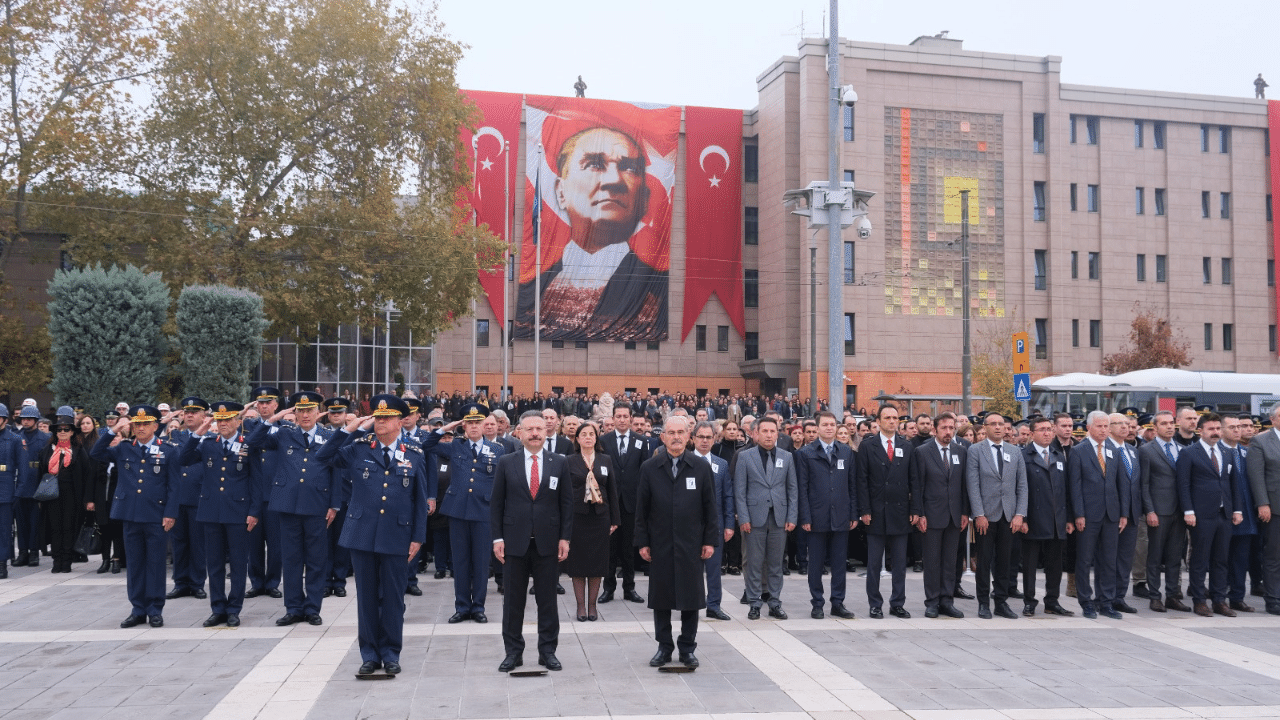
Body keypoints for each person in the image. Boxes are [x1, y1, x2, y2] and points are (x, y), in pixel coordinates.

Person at [514, 126, 667, 342]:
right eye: (595, 164)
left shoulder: (660, 291)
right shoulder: (534, 287)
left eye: (629, 168)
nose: (614, 180)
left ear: (643, 199)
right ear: (560, 191)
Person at [316, 395, 431, 676]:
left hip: (398, 534)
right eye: (377, 417)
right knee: (366, 598)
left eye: (386, 417)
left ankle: (391, 653)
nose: (380, 422)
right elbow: (323, 457)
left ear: (399, 421)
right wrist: (348, 429)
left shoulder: (414, 453)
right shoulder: (358, 448)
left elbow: (419, 500)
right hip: (362, 533)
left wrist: (418, 537)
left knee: (393, 597)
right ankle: (369, 654)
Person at [246, 390, 341, 627]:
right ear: (294, 412)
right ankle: (293, 607)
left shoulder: (329, 436)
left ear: (318, 412)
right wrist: (272, 420)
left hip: (317, 505)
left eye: (310, 410)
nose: (305, 415)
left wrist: (334, 504)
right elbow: (253, 442)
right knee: (291, 559)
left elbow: (336, 472)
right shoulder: (283, 434)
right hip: (288, 506)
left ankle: (313, 607)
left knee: (317, 560)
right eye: (301, 410)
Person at [492, 411, 573, 673]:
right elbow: (497, 504)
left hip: (548, 544)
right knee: (513, 602)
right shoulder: (506, 461)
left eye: (540, 428)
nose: (536, 433)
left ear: (547, 431)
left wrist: (565, 538)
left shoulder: (559, 462)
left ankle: (547, 651)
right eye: (530, 429)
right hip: (514, 543)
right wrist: (497, 538)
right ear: (520, 432)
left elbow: (566, 504)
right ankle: (513, 652)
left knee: (547, 601)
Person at [636, 415, 718, 669]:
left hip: (691, 544)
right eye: (671, 433)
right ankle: (664, 646)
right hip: (660, 543)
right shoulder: (650, 468)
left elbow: (710, 508)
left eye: (681, 432)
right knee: (661, 597)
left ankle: (687, 648)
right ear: (663, 437)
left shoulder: (700, 467)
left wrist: (709, 541)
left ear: (688, 436)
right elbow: (642, 510)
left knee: (691, 598)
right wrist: (643, 542)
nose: (676, 437)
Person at [90, 405, 179, 628]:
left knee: (156, 564)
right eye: (137, 424)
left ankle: (155, 609)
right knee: (135, 564)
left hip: (156, 515)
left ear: (155, 426)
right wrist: (113, 430)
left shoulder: (168, 450)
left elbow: (174, 486)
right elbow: (96, 453)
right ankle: (138, 609)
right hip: (130, 514)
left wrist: (170, 513)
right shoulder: (124, 448)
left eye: (145, 424)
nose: (140, 428)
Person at [178, 402, 259, 627]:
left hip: (238, 512)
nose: (223, 424)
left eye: (227, 419)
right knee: (213, 564)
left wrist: (254, 512)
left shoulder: (247, 445)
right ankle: (218, 608)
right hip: (211, 512)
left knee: (238, 563)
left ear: (237, 421)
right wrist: (198, 433)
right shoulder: (207, 444)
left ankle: (234, 609)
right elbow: (183, 460)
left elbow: (256, 482)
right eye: (219, 420)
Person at [423, 403, 500, 624]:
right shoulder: (455, 446)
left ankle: (478, 607)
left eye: (478, 422)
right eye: (469, 422)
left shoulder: (497, 450)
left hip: (484, 511)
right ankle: (462, 606)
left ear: (485, 424)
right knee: (460, 561)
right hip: (457, 511)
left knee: (481, 561)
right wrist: (446, 428)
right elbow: (426, 445)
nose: (474, 426)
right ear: (464, 425)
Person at [1178, 412, 1244, 617]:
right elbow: (1183, 484)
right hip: (1201, 515)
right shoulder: (1189, 453)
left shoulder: (1226, 453)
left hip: (1224, 514)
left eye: (1217, 429)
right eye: (1211, 429)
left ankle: (1219, 601)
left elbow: (1234, 484)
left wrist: (1237, 509)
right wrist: (1188, 511)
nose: (1215, 433)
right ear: (1201, 431)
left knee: (1221, 559)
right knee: (1200, 559)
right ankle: (1199, 601)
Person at [795, 411, 858, 619]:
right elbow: (802, 489)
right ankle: (817, 603)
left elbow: (852, 486)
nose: (829, 428)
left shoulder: (846, 452)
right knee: (816, 563)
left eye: (833, 424)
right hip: (816, 517)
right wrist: (804, 517)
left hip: (841, 515)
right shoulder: (805, 453)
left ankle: (838, 602)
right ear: (818, 427)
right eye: (825, 425)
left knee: (839, 563)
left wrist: (853, 513)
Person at [966, 413, 1028, 620]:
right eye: (993, 424)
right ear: (985, 427)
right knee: (983, 561)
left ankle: (1001, 601)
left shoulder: (1014, 451)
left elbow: (1022, 485)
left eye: (1002, 424)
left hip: (1009, 515)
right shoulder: (975, 450)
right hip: (986, 516)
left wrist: (1020, 514)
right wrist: (979, 514)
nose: (999, 428)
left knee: (1005, 561)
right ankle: (983, 603)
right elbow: (972, 484)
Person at [734, 415, 797, 620]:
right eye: (765, 431)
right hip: (753, 518)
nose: (769, 435)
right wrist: (743, 517)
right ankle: (754, 602)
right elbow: (740, 491)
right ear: (755, 434)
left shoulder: (786, 457)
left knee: (776, 563)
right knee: (754, 562)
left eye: (772, 431)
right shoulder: (745, 457)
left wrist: (792, 516)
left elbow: (792, 489)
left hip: (779, 517)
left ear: (777, 434)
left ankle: (775, 602)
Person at [1068, 410, 1128, 619]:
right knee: (1085, 560)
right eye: (1100, 426)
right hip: (1088, 514)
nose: (1104, 430)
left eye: (1106, 426)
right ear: (1089, 428)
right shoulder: (1079, 451)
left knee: (1109, 560)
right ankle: (1086, 602)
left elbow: (1121, 483)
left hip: (1111, 514)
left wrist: (1123, 513)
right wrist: (1078, 514)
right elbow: (1074, 486)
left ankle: (1106, 601)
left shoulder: (1113, 449)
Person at [856, 405, 914, 619]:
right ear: (878, 421)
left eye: (895, 418)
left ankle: (897, 603)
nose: (891, 421)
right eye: (887, 418)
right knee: (873, 563)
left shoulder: (906, 446)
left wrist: (915, 508)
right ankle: (875, 603)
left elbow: (913, 480)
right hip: (876, 512)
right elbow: (861, 481)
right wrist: (864, 509)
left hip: (900, 512)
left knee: (899, 564)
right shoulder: (867, 446)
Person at [909, 412, 968, 619]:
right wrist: (919, 513)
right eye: (944, 428)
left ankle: (947, 601)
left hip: (954, 515)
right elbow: (917, 485)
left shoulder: (961, 451)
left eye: (952, 428)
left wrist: (964, 512)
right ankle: (932, 602)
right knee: (932, 561)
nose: (948, 432)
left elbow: (963, 485)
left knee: (950, 561)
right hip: (932, 515)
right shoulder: (923, 452)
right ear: (935, 429)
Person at [561, 421, 619, 621]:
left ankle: (592, 606)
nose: (588, 437)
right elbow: (564, 494)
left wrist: (615, 519)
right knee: (578, 565)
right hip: (577, 518)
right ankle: (580, 607)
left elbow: (612, 491)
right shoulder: (569, 461)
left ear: (596, 438)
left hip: (600, 519)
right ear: (577, 439)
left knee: (597, 564)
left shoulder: (605, 460)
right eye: (583, 434)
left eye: (591, 434)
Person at [1020, 417, 1074, 616]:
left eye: (1049, 429)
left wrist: (1068, 518)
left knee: (1054, 565)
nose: (1047, 433)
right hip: (1033, 518)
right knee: (1030, 565)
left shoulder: (1058, 456)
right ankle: (1029, 601)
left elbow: (1066, 490)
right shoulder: (1024, 455)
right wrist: (1022, 517)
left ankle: (1052, 601)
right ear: (1032, 433)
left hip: (1056, 519)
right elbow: (1020, 489)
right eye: (1042, 429)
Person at [600, 404, 648, 604]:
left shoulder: (641, 441)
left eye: (624, 416)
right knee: (609, 549)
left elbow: (645, 472)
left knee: (629, 549)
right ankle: (608, 589)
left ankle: (629, 588)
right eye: (618, 416)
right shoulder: (603, 440)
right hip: (610, 503)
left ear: (630, 418)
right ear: (612, 418)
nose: (621, 419)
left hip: (631, 503)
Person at [689, 420, 735, 620]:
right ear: (693, 439)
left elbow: (728, 496)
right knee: (691, 568)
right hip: (689, 526)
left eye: (709, 437)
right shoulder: (685, 460)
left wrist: (729, 525)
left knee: (714, 568)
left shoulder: (721, 464)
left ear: (715, 439)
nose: (705, 441)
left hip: (714, 525)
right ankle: (690, 604)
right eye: (701, 437)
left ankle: (714, 605)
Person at [166, 397, 210, 601]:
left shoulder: (210, 438)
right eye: (186, 412)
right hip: (179, 496)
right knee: (179, 542)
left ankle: (197, 583)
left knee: (198, 544)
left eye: (194, 412)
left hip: (200, 497)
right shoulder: (175, 436)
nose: (189, 415)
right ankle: (181, 582)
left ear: (203, 416)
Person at [38, 408, 91, 573]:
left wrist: (87, 499)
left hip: (72, 495)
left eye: (66, 429)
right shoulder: (47, 450)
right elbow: (40, 473)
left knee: (68, 527)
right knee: (55, 527)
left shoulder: (78, 450)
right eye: (59, 429)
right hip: (52, 495)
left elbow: (87, 475)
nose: (62, 432)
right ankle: (56, 560)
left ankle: (66, 561)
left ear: (72, 432)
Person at [244, 386, 284, 600]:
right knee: (254, 543)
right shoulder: (249, 425)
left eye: (269, 402)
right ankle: (257, 582)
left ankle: (273, 582)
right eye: (260, 403)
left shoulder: (286, 427)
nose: (264, 406)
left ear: (276, 405)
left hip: (276, 494)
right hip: (253, 493)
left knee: (276, 544)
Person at [1107, 413, 1142, 614]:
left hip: (1133, 512)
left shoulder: (1132, 450)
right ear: (1109, 427)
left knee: (1126, 558)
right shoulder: (1106, 450)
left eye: (1127, 424)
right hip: (1112, 513)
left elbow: (1136, 483)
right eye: (1119, 424)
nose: (1125, 427)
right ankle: (1106, 596)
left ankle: (1119, 596)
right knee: (1109, 557)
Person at [1247, 405, 1280, 615]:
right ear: (1273, 419)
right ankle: (1273, 599)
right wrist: (1262, 503)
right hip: (1274, 506)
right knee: (1273, 556)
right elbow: (1256, 476)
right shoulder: (1261, 441)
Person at [322, 397, 353, 598]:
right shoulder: (321, 435)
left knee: (343, 541)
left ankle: (339, 581)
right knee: (324, 541)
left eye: (339, 412)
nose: (335, 416)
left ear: (345, 415)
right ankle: (325, 581)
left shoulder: (354, 436)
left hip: (347, 494)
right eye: (332, 413)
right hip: (323, 496)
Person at [14, 404, 51, 568]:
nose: (26, 421)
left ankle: (34, 552)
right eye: (24, 419)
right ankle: (23, 552)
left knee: (35, 522)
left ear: (36, 420)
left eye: (29, 419)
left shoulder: (44, 438)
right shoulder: (16, 436)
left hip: (36, 484)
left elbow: (47, 464)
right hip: (20, 485)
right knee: (21, 523)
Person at [0, 404, 23, 579]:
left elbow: (22, 468)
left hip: (6, 492)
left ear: (5, 420)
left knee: (4, 530)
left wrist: (18, 492)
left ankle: (2, 564)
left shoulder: (14, 439)